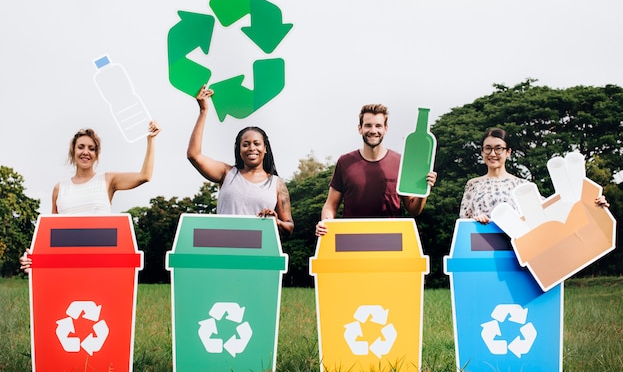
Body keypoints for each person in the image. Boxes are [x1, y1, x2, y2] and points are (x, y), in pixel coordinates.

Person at [20, 121, 161, 270]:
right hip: (68, 263)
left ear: (97, 154)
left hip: (101, 261)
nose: (86, 152)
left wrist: (151, 140)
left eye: (91, 148)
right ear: (73, 151)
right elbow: (50, 235)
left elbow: (145, 176)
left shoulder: (108, 180)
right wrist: (31, 256)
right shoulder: (59, 188)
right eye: (81, 147)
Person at [315, 103, 437, 236]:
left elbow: (413, 209)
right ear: (360, 128)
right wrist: (325, 222)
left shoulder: (400, 162)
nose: (373, 130)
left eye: (378, 126)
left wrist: (424, 189)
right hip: (351, 239)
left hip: (391, 239)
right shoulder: (345, 162)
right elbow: (331, 204)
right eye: (368, 125)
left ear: (386, 129)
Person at [187, 86, 294, 237]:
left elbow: (289, 227)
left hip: (259, 252)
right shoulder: (226, 173)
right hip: (224, 248)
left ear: (265, 149)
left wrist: (276, 222)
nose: (251, 148)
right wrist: (203, 111)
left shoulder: (277, 184)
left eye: (257, 144)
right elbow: (194, 155)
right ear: (239, 150)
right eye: (245, 144)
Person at [459, 127, 608, 223]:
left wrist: (592, 202)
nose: (493, 154)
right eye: (488, 148)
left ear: (508, 152)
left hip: (517, 253)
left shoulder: (523, 185)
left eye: (498, 148)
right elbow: (463, 222)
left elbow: (554, 210)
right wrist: (475, 221)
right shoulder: (473, 184)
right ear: (482, 152)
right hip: (483, 251)